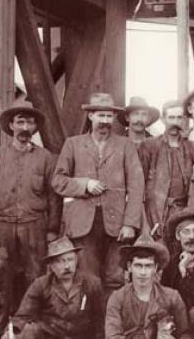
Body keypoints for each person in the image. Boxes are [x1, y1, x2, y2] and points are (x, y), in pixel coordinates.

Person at [0, 100, 62, 337]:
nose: (25, 126)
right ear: (11, 126)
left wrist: (52, 229)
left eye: (30, 122)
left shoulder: (46, 158)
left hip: (34, 226)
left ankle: (30, 328)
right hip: (1, 227)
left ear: (35, 127)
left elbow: (54, 197)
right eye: (20, 121)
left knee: (35, 277)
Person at [52, 93, 144, 293]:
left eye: (109, 116)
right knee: (87, 278)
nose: (105, 121)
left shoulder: (125, 145)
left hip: (116, 224)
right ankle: (90, 324)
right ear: (90, 116)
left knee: (115, 277)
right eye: (100, 115)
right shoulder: (73, 144)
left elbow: (137, 186)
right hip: (83, 224)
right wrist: (84, 184)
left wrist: (130, 223)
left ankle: (111, 323)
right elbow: (58, 181)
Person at [10, 236, 105, 339]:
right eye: (60, 261)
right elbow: (22, 318)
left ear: (76, 261)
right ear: (51, 265)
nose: (67, 266)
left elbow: (100, 320)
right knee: (29, 329)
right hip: (51, 336)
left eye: (70, 260)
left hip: (82, 336)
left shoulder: (92, 283)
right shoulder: (41, 284)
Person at [106, 233, 192, 339]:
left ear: (155, 268)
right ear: (129, 267)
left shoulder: (172, 297)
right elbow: (112, 336)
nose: (143, 272)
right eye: (138, 265)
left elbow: (185, 333)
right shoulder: (118, 298)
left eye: (148, 266)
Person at [138, 100, 194, 240]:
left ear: (184, 120)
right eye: (171, 118)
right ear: (163, 119)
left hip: (184, 213)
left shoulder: (193, 149)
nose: (175, 122)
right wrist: (144, 224)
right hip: (156, 212)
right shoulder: (149, 146)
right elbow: (139, 187)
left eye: (179, 118)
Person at [161, 209, 194, 311]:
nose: (191, 237)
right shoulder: (171, 263)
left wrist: (184, 272)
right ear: (178, 236)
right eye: (186, 232)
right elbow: (165, 295)